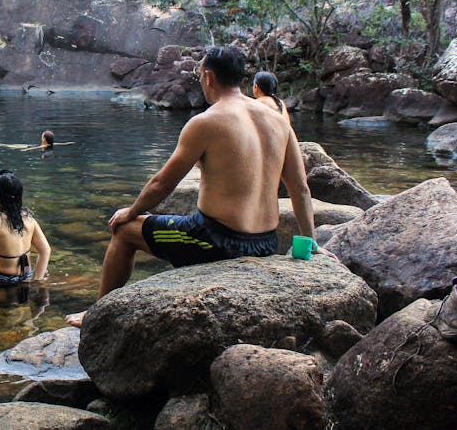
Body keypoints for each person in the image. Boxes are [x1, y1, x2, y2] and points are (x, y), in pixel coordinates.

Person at [65, 46, 335, 327]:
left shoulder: (206, 122)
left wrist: (131, 212)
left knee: (124, 231)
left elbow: (162, 183)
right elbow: (301, 188)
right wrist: (310, 242)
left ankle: (97, 316)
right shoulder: (280, 122)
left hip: (215, 241)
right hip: (266, 242)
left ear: (208, 77)